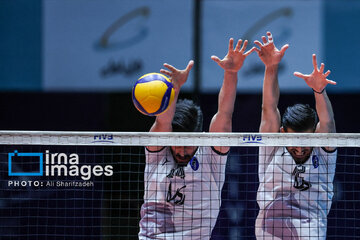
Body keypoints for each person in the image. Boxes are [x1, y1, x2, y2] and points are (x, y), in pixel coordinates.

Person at [138, 38, 253, 239]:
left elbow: (224, 114)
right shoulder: (157, 153)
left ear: (200, 137)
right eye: (177, 145)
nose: (181, 151)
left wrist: (231, 72)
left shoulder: (212, 156)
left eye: (188, 146)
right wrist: (174, 87)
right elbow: (163, 123)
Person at [252, 31, 337, 239]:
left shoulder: (323, 153)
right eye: (293, 143)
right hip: (270, 230)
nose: (299, 149)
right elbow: (268, 108)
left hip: (311, 230)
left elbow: (327, 122)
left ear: (315, 136)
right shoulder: (273, 147)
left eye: (305, 143)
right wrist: (271, 67)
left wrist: (319, 91)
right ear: (282, 134)